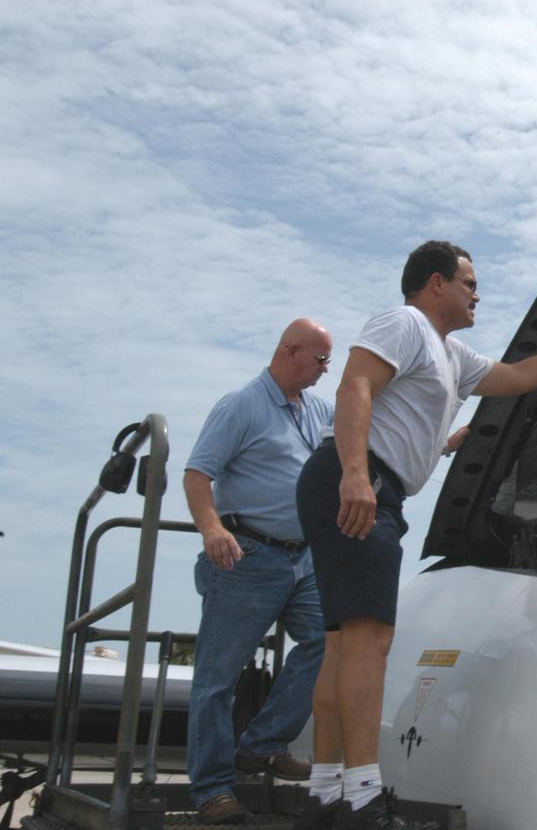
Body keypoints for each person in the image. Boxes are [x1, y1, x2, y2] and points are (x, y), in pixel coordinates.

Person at [295, 240, 537, 830]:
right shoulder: (404, 323)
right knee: (370, 640)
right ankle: (363, 799)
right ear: (435, 284)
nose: (478, 293)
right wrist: (355, 475)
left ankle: (325, 794)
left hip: (370, 482)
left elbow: (523, 375)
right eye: (469, 283)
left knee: (344, 642)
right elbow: (355, 387)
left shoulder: (451, 354)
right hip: (357, 478)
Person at [184, 318, 335, 825]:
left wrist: (445, 439)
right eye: (320, 360)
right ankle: (212, 790)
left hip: (304, 557)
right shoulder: (241, 405)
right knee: (217, 678)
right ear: (290, 351)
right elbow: (196, 473)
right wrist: (211, 530)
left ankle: (263, 743)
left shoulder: (316, 410)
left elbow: (368, 435)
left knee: (327, 640)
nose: (325, 370)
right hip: (248, 555)